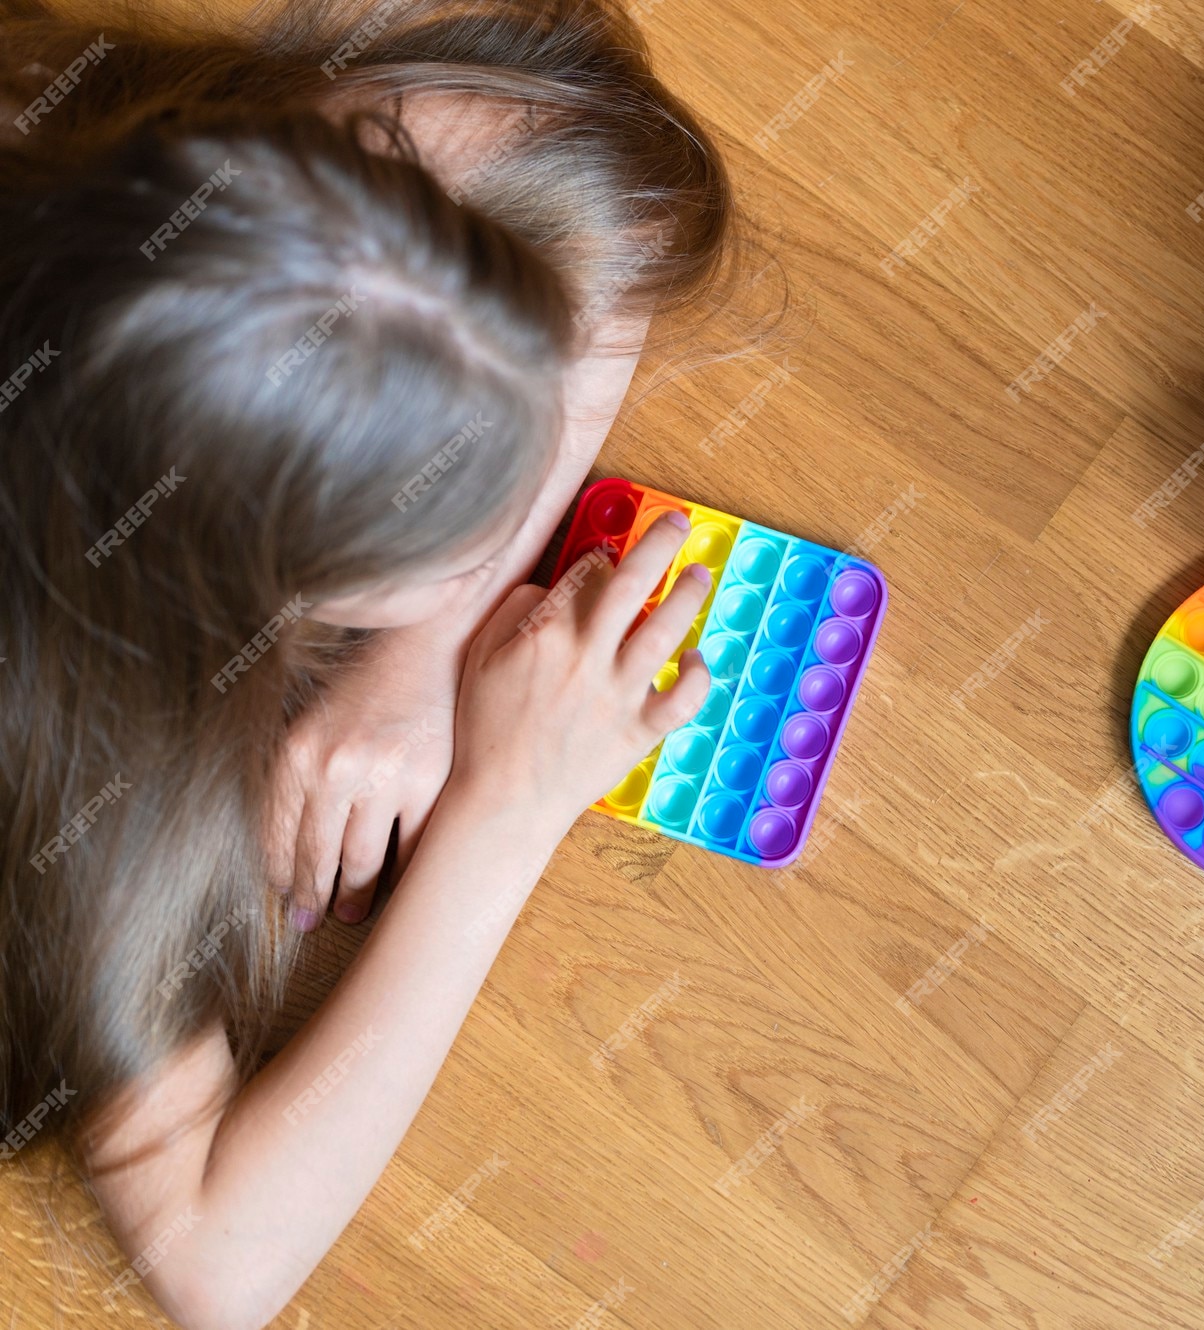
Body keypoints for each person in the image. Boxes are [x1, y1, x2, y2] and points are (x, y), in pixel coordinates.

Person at [0, 0, 733, 1320]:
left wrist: (423, 646)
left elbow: (605, 177)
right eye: (470, 529)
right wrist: (501, 819)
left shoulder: (137, 172)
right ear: (257, 582)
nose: (519, 533)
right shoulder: (68, 792)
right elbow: (217, 1264)